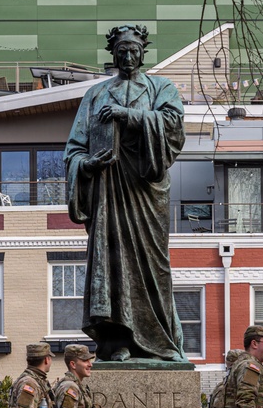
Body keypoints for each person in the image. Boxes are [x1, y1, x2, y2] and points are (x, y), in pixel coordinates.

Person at [63, 23, 187, 363]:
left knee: (153, 266)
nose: (128, 56)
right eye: (122, 52)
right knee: (114, 263)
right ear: (113, 55)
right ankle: (117, 341)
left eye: (134, 51)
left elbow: (174, 126)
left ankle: (163, 343)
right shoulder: (95, 95)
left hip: (145, 189)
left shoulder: (161, 88)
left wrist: (128, 115)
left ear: (143, 53)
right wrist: (86, 165)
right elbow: (74, 148)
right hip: (108, 189)